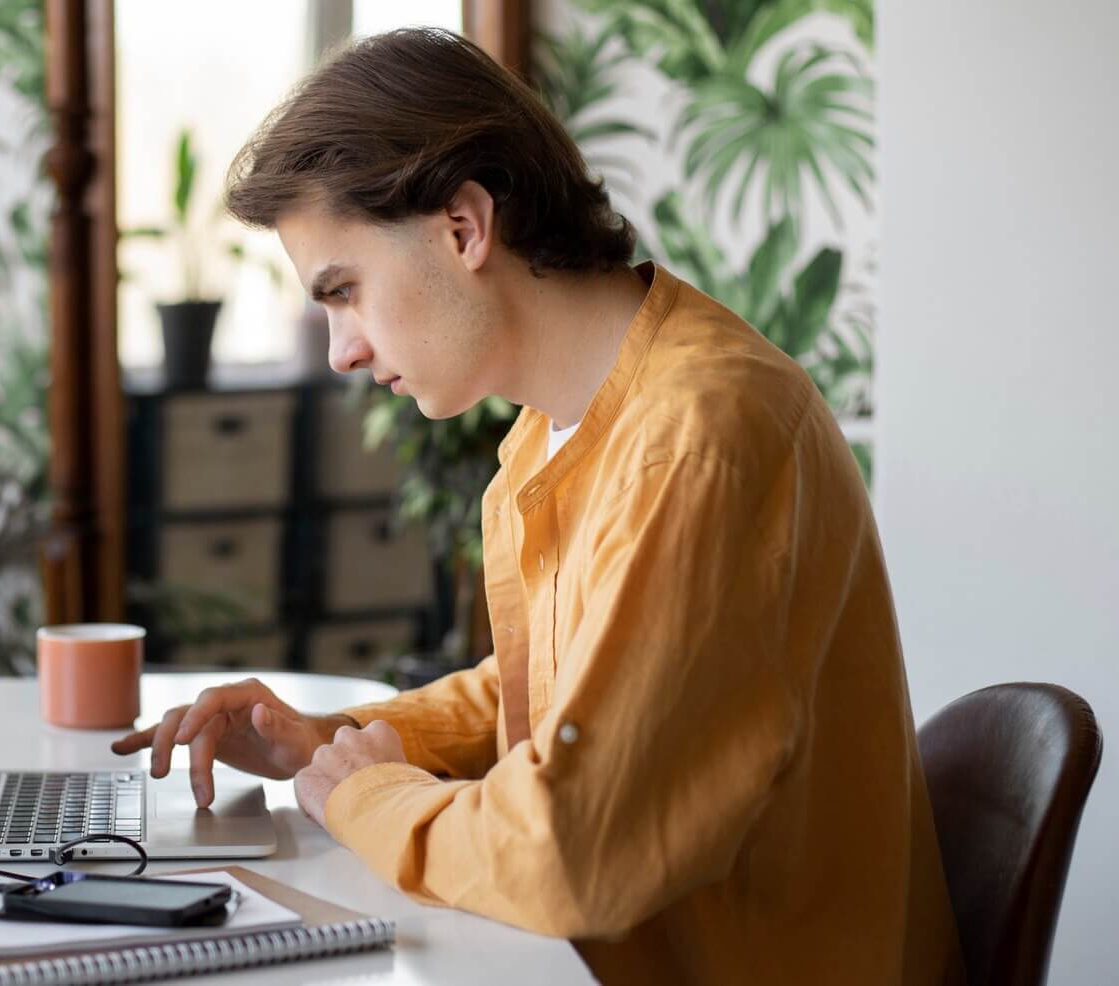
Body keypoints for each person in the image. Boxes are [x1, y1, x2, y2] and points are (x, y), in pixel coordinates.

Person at [112, 27, 965, 985]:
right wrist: (330, 744)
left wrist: (368, 797)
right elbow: (572, 695)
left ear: (465, 227)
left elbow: (576, 851)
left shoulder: (698, 437)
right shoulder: (561, 429)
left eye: (343, 290)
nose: (340, 349)